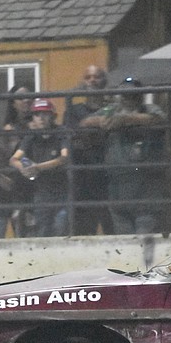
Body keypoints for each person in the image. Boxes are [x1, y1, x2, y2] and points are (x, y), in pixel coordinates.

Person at [80, 78, 166, 235]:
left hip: (146, 189)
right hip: (118, 187)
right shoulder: (112, 110)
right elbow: (85, 123)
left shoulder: (149, 109)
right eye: (125, 94)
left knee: (144, 237)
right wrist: (104, 121)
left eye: (132, 94)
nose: (128, 98)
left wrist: (125, 120)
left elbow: (159, 120)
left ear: (140, 95)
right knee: (124, 241)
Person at [11, 98, 71, 237]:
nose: (41, 118)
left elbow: (64, 158)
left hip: (62, 190)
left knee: (61, 226)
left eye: (45, 114)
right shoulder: (31, 136)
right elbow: (14, 159)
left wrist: (37, 167)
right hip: (42, 191)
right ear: (33, 117)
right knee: (43, 229)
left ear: (52, 116)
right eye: (38, 114)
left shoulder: (61, 133)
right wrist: (24, 167)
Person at [64, 65, 112, 235]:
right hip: (82, 174)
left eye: (96, 77)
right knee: (83, 228)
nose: (92, 80)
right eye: (88, 77)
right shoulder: (74, 109)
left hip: (107, 173)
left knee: (111, 225)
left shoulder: (112, 108)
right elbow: (73, 137)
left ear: (104, 81)